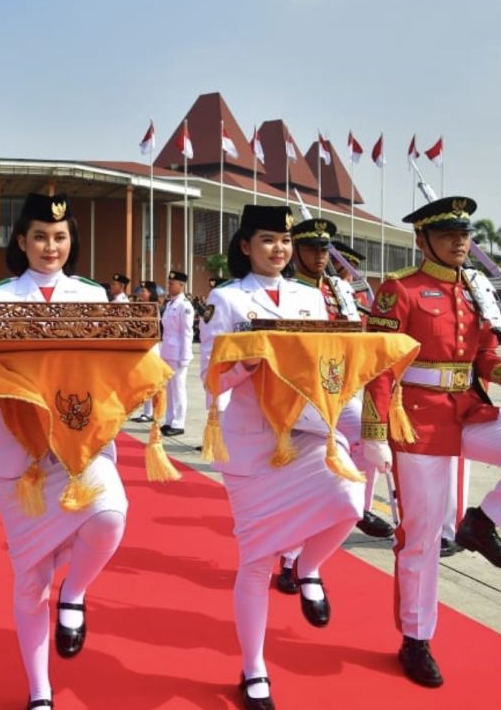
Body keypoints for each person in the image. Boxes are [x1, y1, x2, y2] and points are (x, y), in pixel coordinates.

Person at [360, 196, 501, 688]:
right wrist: (375, 433)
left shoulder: (475, 289)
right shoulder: (400, 290)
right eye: (449, 234)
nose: (460, 242)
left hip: (468, 410)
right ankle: (416, 639)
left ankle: (482, 523)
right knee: (423, 536)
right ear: (422, 239)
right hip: (417, 420)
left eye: (465, 234)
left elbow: (484, 353)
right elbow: (378, 366)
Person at [201, 204, 366, 710]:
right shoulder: (226, 299)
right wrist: (244, 364)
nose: (279, 249)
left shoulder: (309, 298)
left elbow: (323, 362)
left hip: (308, 428)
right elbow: (212, 376)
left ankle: (309, 566)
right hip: (252, 440)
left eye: (286, 241)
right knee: (253, 560)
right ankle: (254, 670)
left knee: (350, 502)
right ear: (246, 245)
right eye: (268, 239)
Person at [0, 193, 131, 710]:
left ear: (72, 242)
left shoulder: (92, 296)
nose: (50, 246)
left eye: (60, 237)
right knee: (30, 580)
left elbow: (113, 367)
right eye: (40, 236)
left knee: (110, 515)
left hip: (82, 445)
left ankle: (77, 592)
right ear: (21, 241)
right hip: (19, 454)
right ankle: (40, 692)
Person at [290, 219, 393, 541]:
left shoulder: (339, 289)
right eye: (311, 248)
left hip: (339, 385)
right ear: (296, 251)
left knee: (368, 438)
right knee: (304, 461)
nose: (320, 256)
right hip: (299, 391)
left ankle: (358, 507)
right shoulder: (288, 288)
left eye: (324, 249)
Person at [160, 270, 195, 437]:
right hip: (168, 350)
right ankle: (169, 420)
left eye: (172, 283)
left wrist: (185, 357)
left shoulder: (185, 306)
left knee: (179, 388)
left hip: (178, 353)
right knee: (170, 389)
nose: (169, 285)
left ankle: (179, 423)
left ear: (181, 285)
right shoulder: (170, 304)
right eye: (169, 282)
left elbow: (187, 333)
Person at [130, 280, 159, 423]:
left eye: (144, 291)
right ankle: (146, 411)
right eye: (141, 291)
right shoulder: (140, 307)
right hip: (142, 346)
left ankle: (152, 412)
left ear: (151, 293)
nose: (141, 294)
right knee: (144, 382)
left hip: (151, 347)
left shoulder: (154, 308)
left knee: (151, 382)